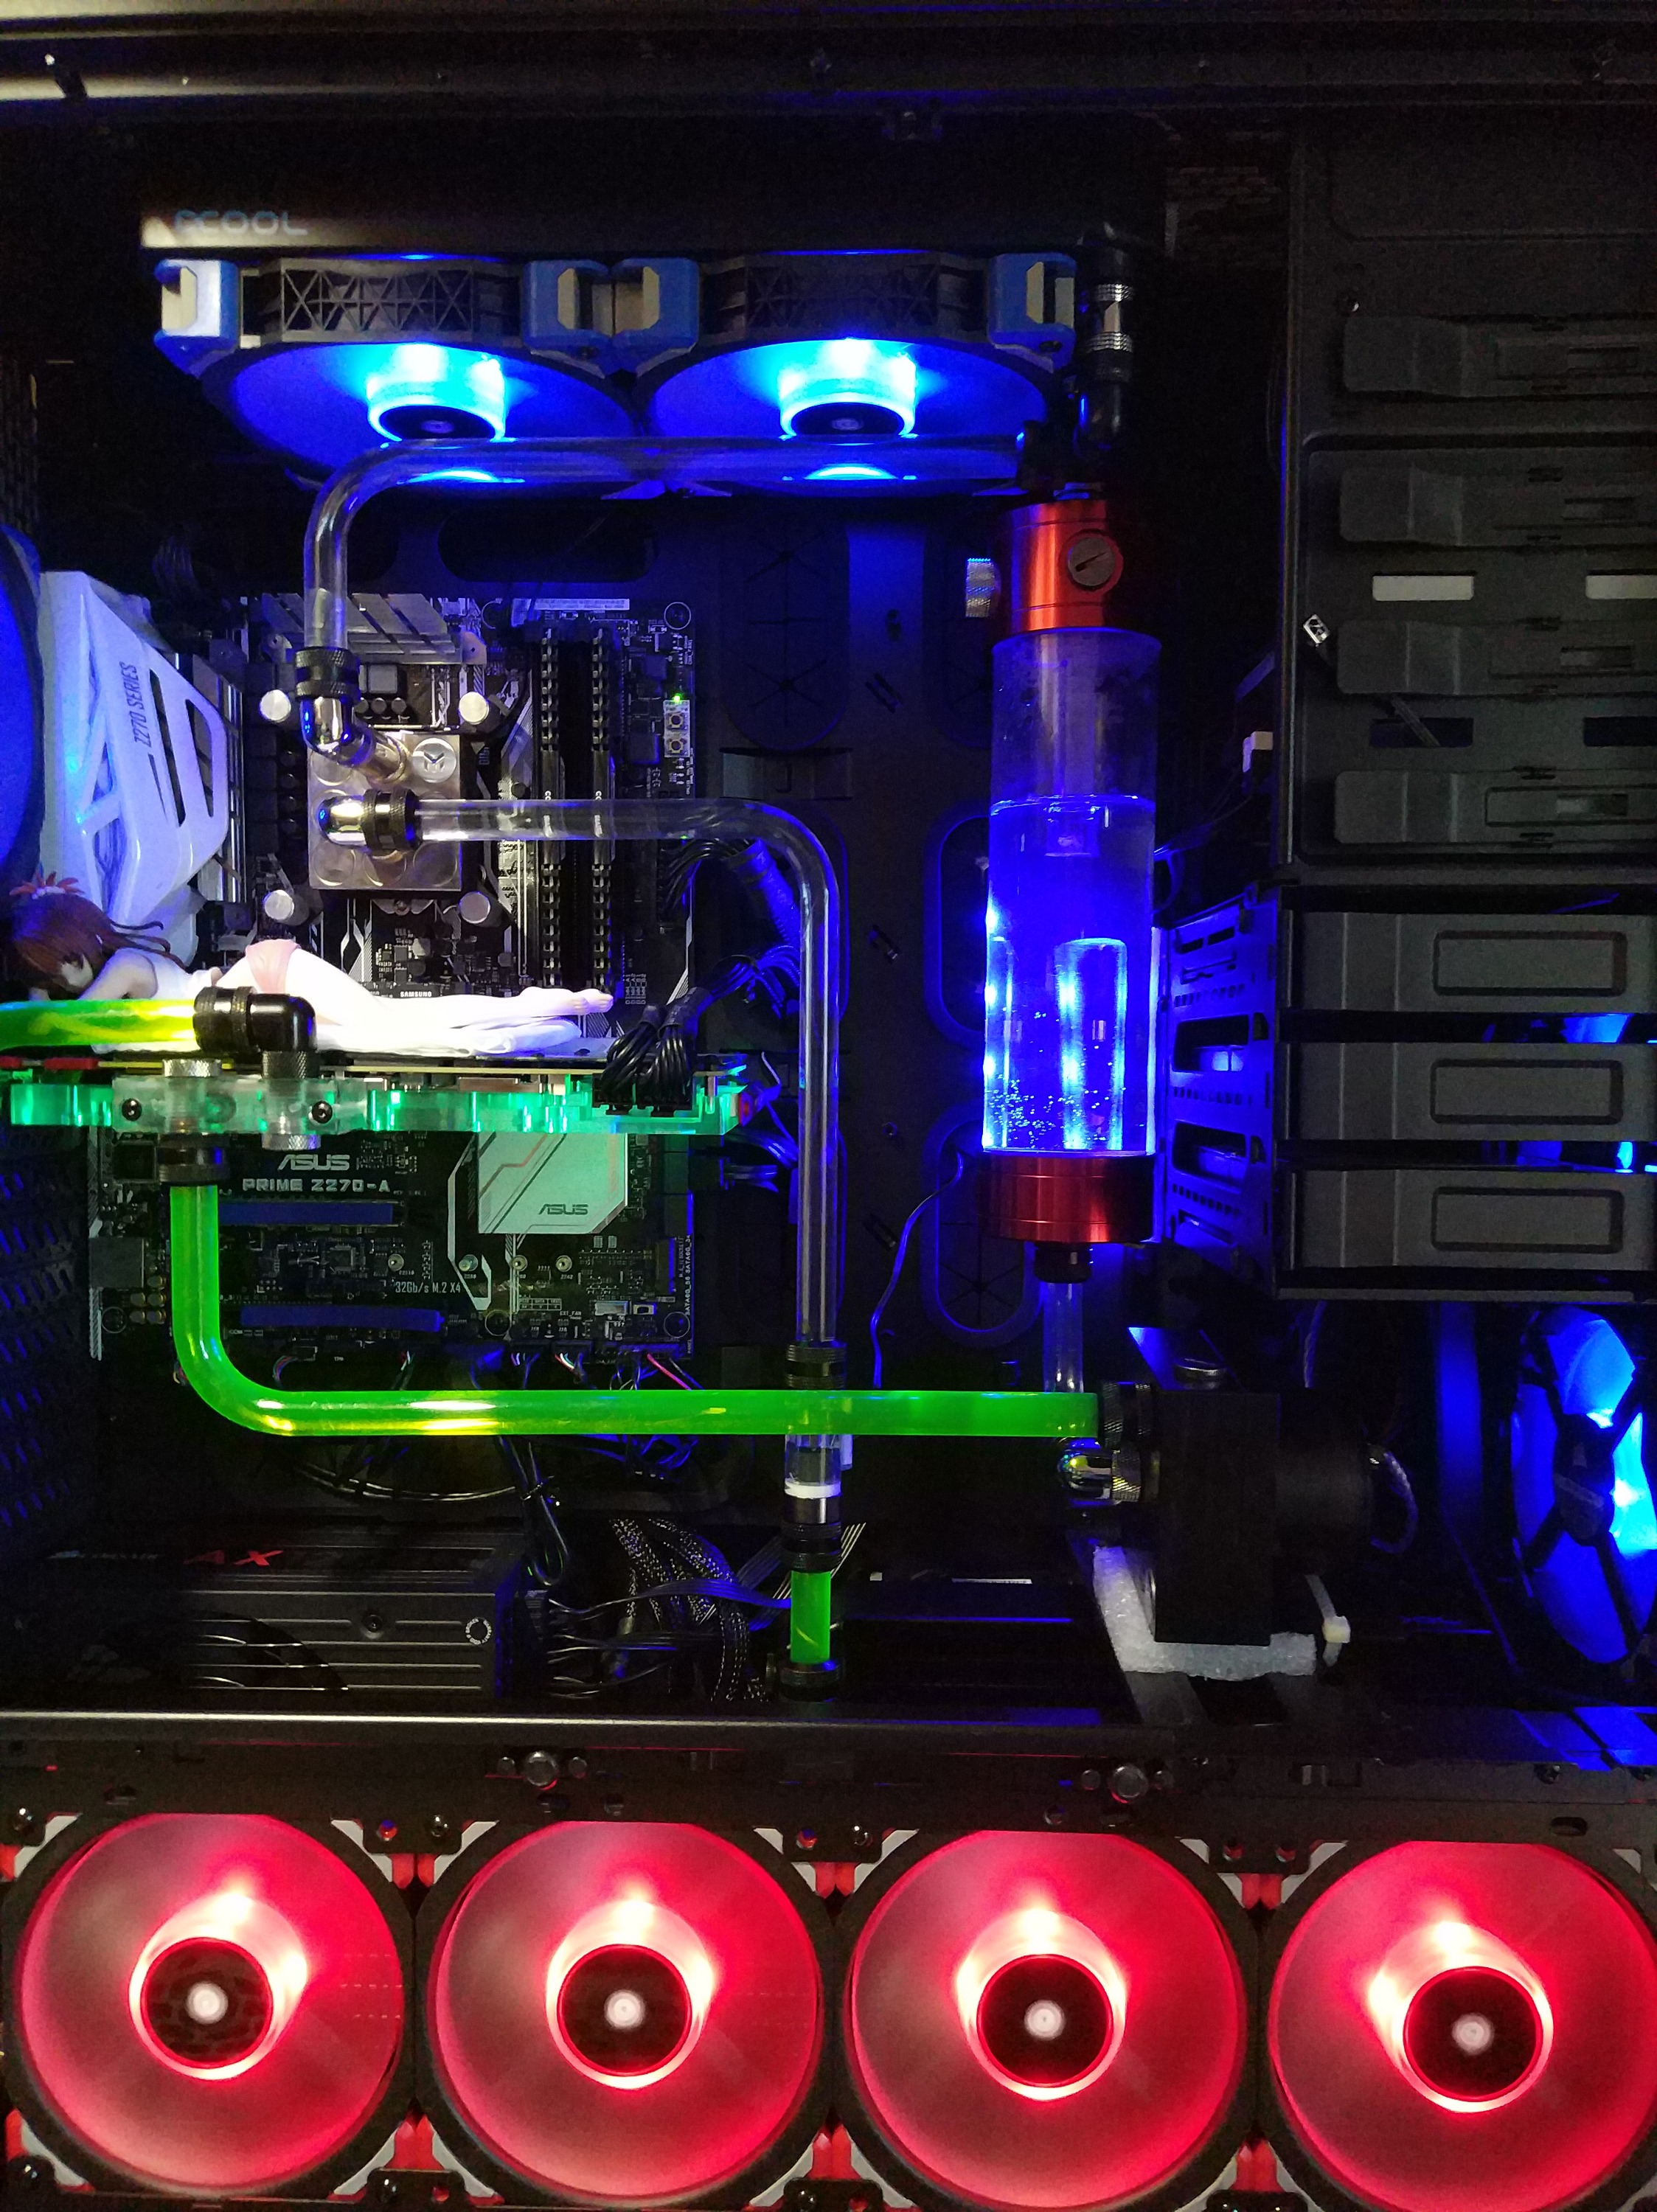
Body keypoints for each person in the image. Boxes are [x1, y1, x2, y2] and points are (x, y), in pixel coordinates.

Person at [3, 876, 612, 1057]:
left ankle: (524, 1009)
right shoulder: (121, 975)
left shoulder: (124, 968)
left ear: (76, 947)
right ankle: (509, 1035)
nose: (62, 983)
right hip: (244, 1021)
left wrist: (37, 999)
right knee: (382, 1040)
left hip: (261, 983)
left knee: (382, 1021)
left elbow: (77, 1029)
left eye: (58, 969)